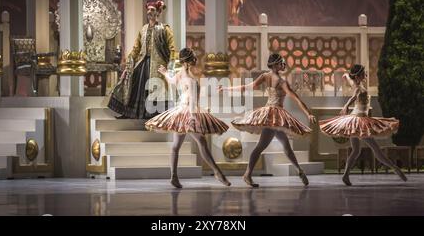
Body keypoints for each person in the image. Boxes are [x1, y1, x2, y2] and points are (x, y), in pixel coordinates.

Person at [218, 53, 316, 187]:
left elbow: (245, 88)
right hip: (274, 115)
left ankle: (299, 170)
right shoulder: (282, 82)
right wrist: (308, 113)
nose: (283, 65)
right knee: (261, 147)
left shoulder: (265, 76)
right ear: (275, 64)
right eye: (281, 63)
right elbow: (296, 99)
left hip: (271, 115)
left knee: (284, 146)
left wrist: (226, 89)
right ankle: (248, 174)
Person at [145, 48, 231, 188]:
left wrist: (166, 73)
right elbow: (191, 100)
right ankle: (218, 173)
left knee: (176, 146)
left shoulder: (181, 74)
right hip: (188, 112)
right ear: (187, 62)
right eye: (192, 58)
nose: (195, 60)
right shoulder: (190, 79)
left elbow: (172, 81)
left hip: (183, 110)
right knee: (201, 142)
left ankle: (174, 176)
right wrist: (192, 117)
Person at [319, 64, 407, 186]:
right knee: (374, 149)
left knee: (356, 150)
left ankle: (345, 175)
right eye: (364, 73)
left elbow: (350, 81)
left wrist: (346, 75)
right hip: (359, 121)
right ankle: (395, 168)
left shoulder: (357, 84)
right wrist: (345, 106)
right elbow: (353, 97)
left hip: (357, 119)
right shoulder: (358, 87)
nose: (366, 74)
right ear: (359, 76)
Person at [115, 0, 176, 119]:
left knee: (155, 88)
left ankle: (154, 115)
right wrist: (130, 61)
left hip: (158, 64)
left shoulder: (165, 29)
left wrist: (170, 67)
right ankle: (132, 113)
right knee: (135, 84)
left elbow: (173, 49)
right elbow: (136, 48)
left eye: (152, 10)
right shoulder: (143, 29)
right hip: (143, 62)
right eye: (148, 10)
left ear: (158, 12)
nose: (149, 12)